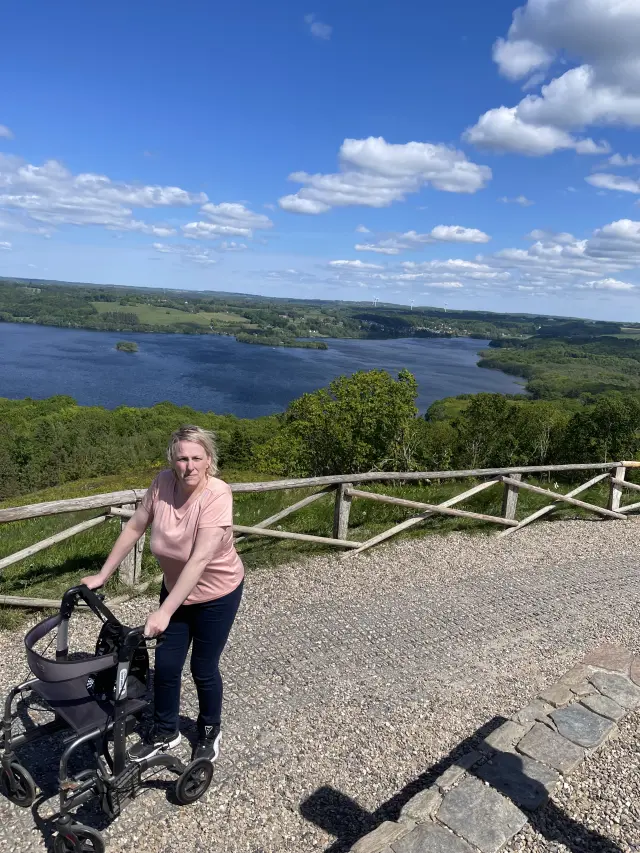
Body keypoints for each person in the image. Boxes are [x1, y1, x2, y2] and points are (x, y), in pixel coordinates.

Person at [82, 425, 244, 764]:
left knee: (203, 667)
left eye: (197, 458)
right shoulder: (162, 484)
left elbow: (199, 559)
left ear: (209, 460)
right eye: (182, 458)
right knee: (167, 666)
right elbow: (135, 526)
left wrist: (165, 612)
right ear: (172, 460)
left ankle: (209, 730)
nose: (189, 466)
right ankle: (166, 732)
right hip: (175, 591)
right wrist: (103, 574)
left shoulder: (217, 494)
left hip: (217, 595)